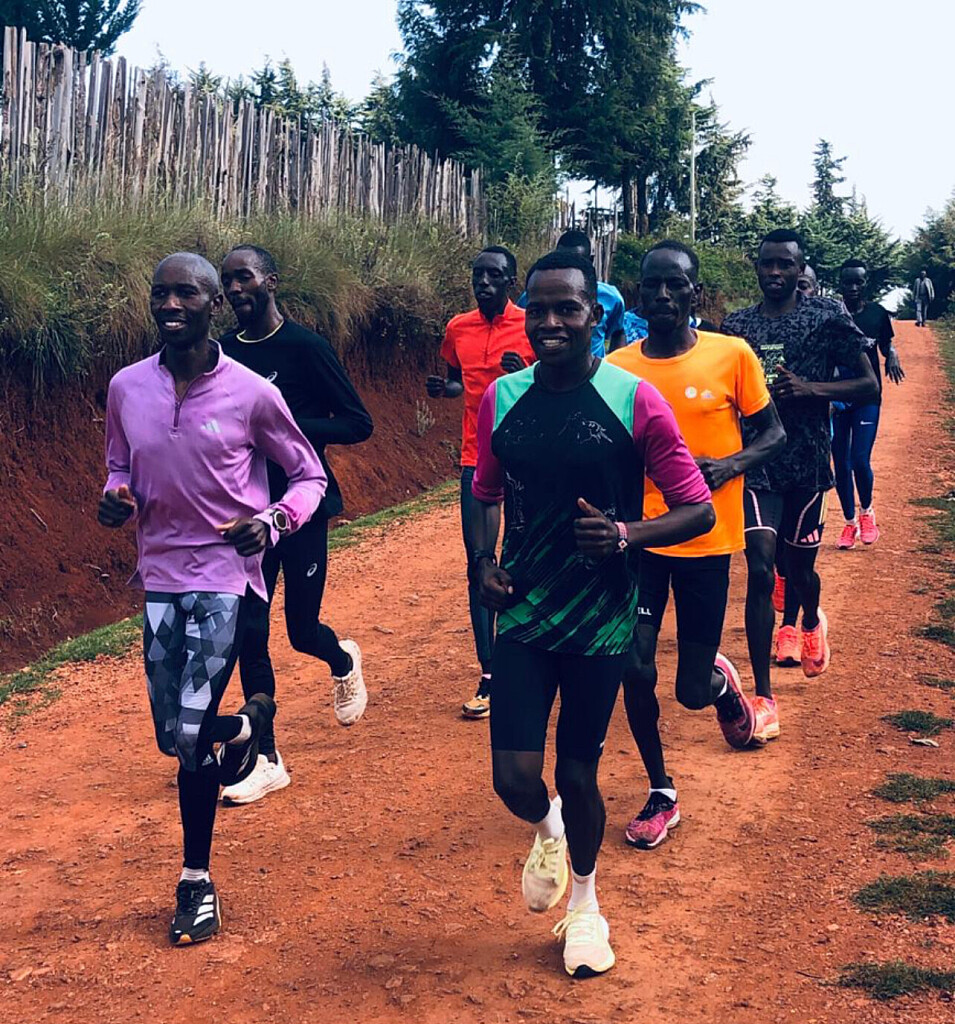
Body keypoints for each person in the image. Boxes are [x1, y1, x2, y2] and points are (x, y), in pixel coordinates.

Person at [470, 250, 715, 977]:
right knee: (514, 780)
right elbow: (484, 493)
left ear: (594, 317)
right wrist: (483, 562)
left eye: (567, 308)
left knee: (578, 773)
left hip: (602, 616)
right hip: (523, 611)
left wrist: (625, 535)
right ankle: (547, 831)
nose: (550, 322)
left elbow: (697, 509)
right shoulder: (502, 398)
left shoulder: (634, 399)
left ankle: (585, 906)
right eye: (539, 309)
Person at [99, 253, 326, 945]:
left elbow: (309, 475)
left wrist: (273, 522)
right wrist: (114, 497)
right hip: (159, 578)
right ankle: (248, 726)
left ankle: (194, 883)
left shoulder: (252, 393)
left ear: (212, 305)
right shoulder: (125, 387)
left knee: (191, 736)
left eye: (186, 293)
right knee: (173, 736)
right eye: (160, 293)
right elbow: (117, 463)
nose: (171, 304)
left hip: (227, 577)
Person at [607, 241, 786, 850]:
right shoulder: (618, 368)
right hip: (640, 540)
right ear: (639, 293)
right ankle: (661, 791)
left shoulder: (731, 355)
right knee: (634, 665)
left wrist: (728, 466)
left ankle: (719, 684)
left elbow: (773, 434)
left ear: (694, 292)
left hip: (707, 541)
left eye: (675, 285)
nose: (663, 295)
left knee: (688, 691)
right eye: (652, 285)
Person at [217, 245, 373, 805]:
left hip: (302, 509)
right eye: (227, 280)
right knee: (248, 632)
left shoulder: (307, 348)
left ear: (272, 281)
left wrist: (282, 427)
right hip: (246, 514)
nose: (235, 289)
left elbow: (358, 423)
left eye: (245, 278)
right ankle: (265, 756)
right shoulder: (224, 353)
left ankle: (342, 660)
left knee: (301, 632)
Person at [722, 230, 877, 698]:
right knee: (761, 569)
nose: (775, 272)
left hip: (808, 463)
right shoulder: (736, 326)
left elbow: (868, 385)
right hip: (757, 462)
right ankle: (763, 696)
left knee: (800, 570)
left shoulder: (826, 317)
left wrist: (812, 389)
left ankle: (810, 620)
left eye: (785, 264)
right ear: (757, 267)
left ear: (799, 268)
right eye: (767, 263)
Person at [426, 246, 534, 718]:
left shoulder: (532, 324)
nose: (483, 283)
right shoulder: (458, 328)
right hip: (477, 457)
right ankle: (490, 673)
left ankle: (533, 656)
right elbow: (457, 379)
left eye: (493, 276)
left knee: (527, 556)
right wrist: (445, 389)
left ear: (512, 281)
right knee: (480, 563)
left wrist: (526, 375)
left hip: (530, 458)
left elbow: (558, 381)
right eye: (477, 276)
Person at [832, 259, 905, 550]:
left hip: (867, 395)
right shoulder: (832, 314)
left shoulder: (877, 314)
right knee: (840, 463)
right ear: (840, 284)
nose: (852, 287)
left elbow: (885, 344)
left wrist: (892, 353)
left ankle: (867, 513)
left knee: (859, 459)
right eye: (847, 282)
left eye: (858, 282)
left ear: (866, 283)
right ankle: (849, 523)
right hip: (836, 396)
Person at [519, 230, 626, 356]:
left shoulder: (611, 297)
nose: (550, 323)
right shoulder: (532, 296)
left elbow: (618, 332)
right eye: (537, 312)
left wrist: (615, 361)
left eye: (568, 310)